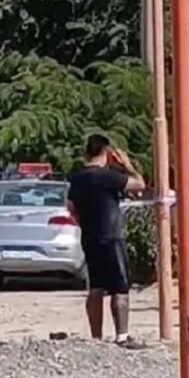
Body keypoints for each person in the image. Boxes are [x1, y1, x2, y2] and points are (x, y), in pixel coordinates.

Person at [67, 134, 146, 346]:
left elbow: (71, 207)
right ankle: (122, 335)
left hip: (89, 237)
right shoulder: (109, 177)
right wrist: (127, 165)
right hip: (111, 236)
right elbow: (139, 185)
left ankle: (96, 337)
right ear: (106, 153)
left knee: (96, 287)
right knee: (120, 287)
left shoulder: (77, 178)